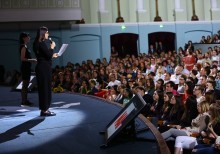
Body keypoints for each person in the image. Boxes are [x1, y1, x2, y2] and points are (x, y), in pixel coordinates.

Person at [33, 26, 58, 116]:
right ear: (43, 33)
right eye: (47, 32)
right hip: (44, 68)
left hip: (41, 67)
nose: (48, 34)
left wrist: (52, 55)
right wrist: (52, 47)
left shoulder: (36, 43)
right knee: (45, 89)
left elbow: (44, 56)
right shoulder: (41, 43)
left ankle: (44, 109)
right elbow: (47, 55)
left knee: (43, 89)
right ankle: (45, 110)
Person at [19, 32, 36, 106]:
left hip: (27, 67)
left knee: (25, 85)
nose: (29, 38)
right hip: (25, 68)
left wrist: (31, 60)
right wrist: (32, 60)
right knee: (25, 85)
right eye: (28, 36)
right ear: (24, 38)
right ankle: (24, 101)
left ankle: (25, 100)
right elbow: (22, 58)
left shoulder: (25, 46)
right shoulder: (23, 47)